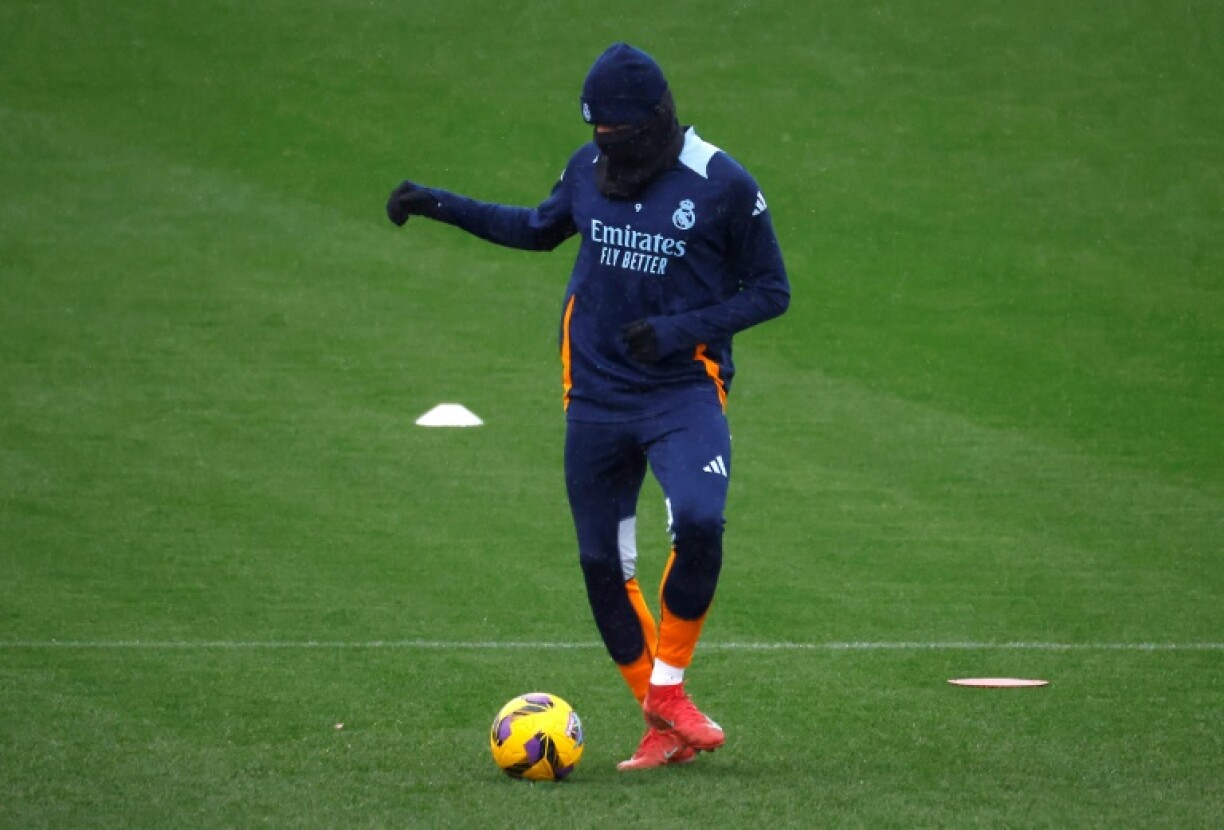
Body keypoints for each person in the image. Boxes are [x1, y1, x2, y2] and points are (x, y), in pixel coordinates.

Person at [387, 43, 790, 770]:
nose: (607, 150)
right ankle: (662, 719)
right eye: (598, 134)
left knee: (700, 519)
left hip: (682, 392)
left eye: (619, 136)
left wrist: (673, 333)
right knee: (602, 563)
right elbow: (536, 229)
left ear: (655, 122)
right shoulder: (588, 168)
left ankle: (668, 692)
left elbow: (771, 290)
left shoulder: (722, 183)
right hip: (594, 395)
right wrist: (436, 204)